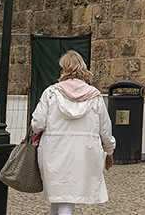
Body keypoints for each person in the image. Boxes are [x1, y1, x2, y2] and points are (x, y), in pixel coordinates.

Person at [31, 50, 115, 215]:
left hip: (54, 151)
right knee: (63, 199)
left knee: (61, 197)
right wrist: (109, 151)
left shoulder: (50, 93)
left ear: (63, 70)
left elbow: (37, 124)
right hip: (84, 153)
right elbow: (105, 128)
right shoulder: (95, 97)